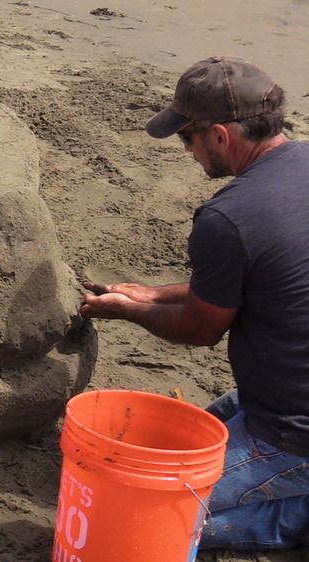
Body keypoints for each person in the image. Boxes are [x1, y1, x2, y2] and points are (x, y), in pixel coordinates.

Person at [80, 55, 309, 550]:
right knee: (191, 434)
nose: (187, 150)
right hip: (273, 397)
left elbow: (199, 329)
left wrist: (129, 310)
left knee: (138, 519)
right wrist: (153, 292)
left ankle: (296, 518)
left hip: (292, 430)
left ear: (221, 136)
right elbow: (269, 279)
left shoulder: (229, 218)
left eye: (187, 138)